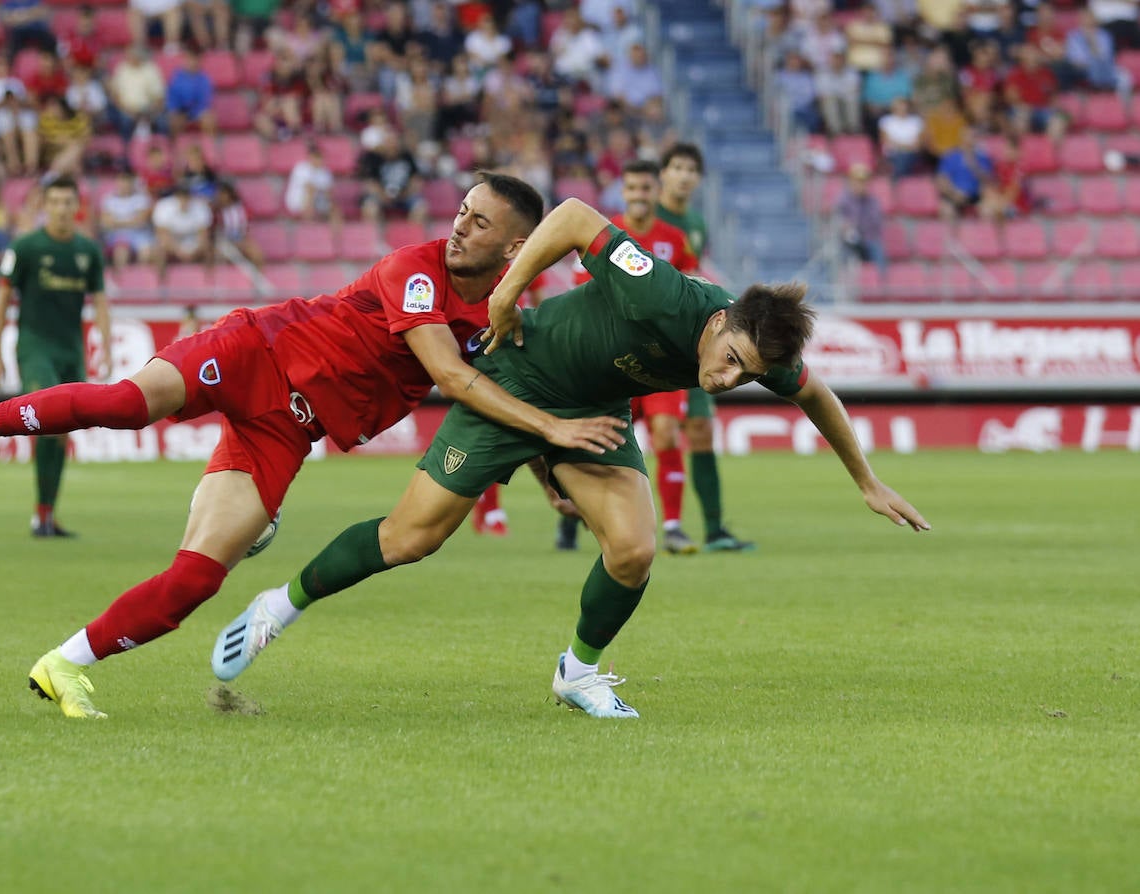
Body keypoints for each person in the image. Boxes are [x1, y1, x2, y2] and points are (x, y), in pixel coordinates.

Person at [0, 174, 626, 719]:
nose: (460, 228)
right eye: (462, 212)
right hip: (255, 351)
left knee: (197, 581)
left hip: (288, 427)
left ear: (514, 247)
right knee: (127, 404)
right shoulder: (417, 266)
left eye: (480, 222)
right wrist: (556, 432)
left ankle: (64, 664)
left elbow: (500, 389)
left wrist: (542, 472)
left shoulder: (497, 313)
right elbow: (447, 374)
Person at [210, 196, 931, 719]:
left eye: (744, 374)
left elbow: (817, 395)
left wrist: (866, 481)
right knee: (410, 539)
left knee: (634, 550)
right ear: (720, 321)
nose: (727, 378)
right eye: (730, 360)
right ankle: (280, 604)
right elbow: (575, 216)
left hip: (593, 415)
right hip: (520, 377)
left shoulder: (758, 348)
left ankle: (578, 673)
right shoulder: (667, 293)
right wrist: (508, 295)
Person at [559, 159, 698, 554]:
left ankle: (672, 525)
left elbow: (694, 283)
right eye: (633, 189)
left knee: (668, 434)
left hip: (665, 360)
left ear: (657, 192)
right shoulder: (603, 233)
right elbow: (581, 289)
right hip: (615, 360)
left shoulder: (674, 237)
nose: (639, 196)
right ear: (624, 192)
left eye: (646, 189)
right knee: (596, 441)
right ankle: (572, 516)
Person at [0, 176, 111, 537]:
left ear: (77, 207)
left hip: (71, 350)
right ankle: (41, 515)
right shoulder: (26, 247)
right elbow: (1, 298)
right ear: (44, 206)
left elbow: (100, 301)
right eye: (55, 202)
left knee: (63, 431)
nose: (61, 209)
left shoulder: (87, 252)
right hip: (34, 347)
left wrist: (107, 345)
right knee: (44, 421)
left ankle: (46, 514)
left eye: (67, 202)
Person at [654, 142, 754, 553]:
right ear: (663, 173)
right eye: (676, 167)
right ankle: (572, 524)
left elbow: (693, 276)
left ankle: (713, 529)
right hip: (653, 342)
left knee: (701, 430)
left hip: (696, 345)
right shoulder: (645, 215)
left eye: (690, 169)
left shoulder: (695, 223)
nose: (683, 175)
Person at [836, 163, 887, 275]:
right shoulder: (843, 199)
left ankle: (881, 284)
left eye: (864, 181)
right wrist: (847, 227)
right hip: (848, 240)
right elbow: (839, 220)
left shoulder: (873, 201)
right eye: (858, 181)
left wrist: (856, 227)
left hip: (869, 238)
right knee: (844, 251)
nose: (861, 184)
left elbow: (875, 222)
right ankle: (844, 282)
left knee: (878, 250)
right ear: (851, 181)